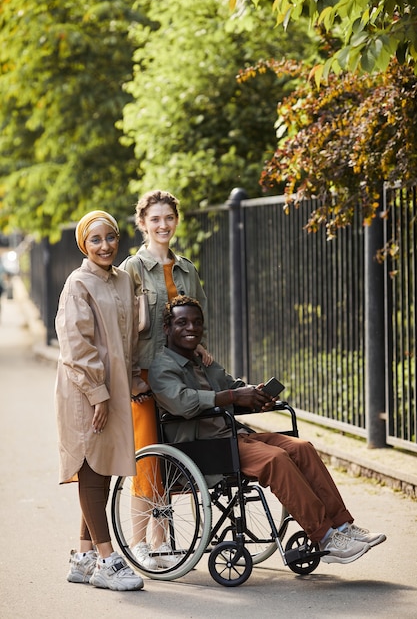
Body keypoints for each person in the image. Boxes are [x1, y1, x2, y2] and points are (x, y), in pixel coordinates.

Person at [148, 295, 387, 565]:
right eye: (182, 322)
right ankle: (325, 537)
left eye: (197, 322)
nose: (191, 327)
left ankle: (343, 527)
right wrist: (233, 395)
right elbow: (182, 402)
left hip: (232, 437)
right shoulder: (162, 367)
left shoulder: (204, 361)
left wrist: (256, 395)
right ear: (167, 328)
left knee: (302, 448)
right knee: (276, 460)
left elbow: (231, 385)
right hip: (201, 447)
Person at [119, 189, 212, 568]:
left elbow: (198, 317)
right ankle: (139, 542)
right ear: (142, 223)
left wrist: (203, 350)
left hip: (179, 376)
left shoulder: (187, 268)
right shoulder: (132, 269)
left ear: (176, 220)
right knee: (147, 459)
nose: (162, 225)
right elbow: (123, 328)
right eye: (154, 219)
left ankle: (162, 544)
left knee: (175, 456)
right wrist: (128, 378)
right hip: (144, 377)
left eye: (168, 218)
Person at [55, 210, 144, 591]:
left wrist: (134, 377)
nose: (105, 245)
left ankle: (84, 556)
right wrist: (98, 394)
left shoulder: (124, 279)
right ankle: (108, 560)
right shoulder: (79, 282)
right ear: (83, 244)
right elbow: (76, 345)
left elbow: (130, 336)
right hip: (84, 389)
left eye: (111, 237)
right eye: (96, 240)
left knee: (104, 466)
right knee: (91, 466)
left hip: (115, 385)